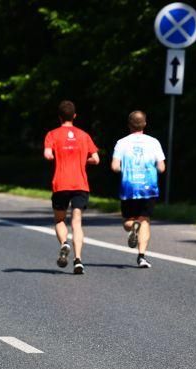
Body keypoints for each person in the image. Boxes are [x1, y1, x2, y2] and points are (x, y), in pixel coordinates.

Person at [43, 100, 99, 274]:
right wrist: (82, 160)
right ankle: (78, 260)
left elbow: (48, 155)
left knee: (60, 220)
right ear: (74, 116)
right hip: (80, 184)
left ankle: (64, 243)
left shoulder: (52, 134)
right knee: (77, 222)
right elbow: (96, 159)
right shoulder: (84, 135)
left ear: (59, 117)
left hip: (61, 183)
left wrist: (58, 155)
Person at [111, 110, 165, 268]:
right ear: (145, 124)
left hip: (129, 187)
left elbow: (115, 166)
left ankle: (133, 226)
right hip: (148, 187)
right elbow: (161, 167)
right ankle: (141, 257)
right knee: (145, 219)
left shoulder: (122, 143)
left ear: (129, 125)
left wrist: (126, 169)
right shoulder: (154, 142)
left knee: (127, 221)